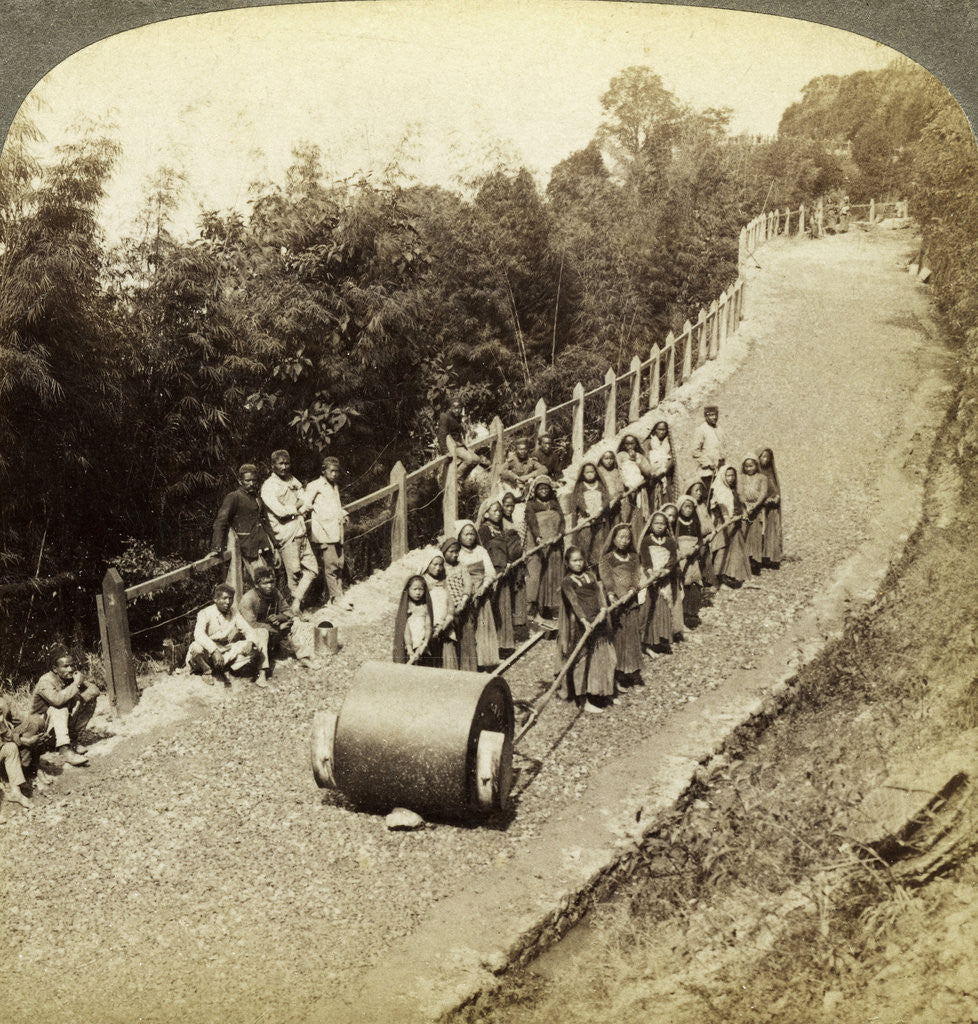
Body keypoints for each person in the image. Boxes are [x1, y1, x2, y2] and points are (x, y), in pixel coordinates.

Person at [556, 547, 616, 713]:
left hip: (599, 619)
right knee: (581, 661)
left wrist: (604, 609)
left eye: (580, 560)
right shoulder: (567, 582)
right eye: (574, 561)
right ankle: (582, 700)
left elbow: (599, 594)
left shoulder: (590, 576)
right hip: (581, 625)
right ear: (567, 563)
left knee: (603, 657)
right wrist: (584, 621)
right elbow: (574, 602)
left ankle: (603, 692)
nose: (578, 563)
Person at [260, 449, 318, 617]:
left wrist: (299, 506)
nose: (284, 467)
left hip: (301, 530)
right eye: (281, 463)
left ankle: (296, 603)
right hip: (287, 535)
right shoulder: (269, 486)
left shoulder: (292, 479)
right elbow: (280, 511)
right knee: (294, 573)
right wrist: (299, 506)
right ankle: (295, 610)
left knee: (313, 570)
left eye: (287, 463)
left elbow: (305, 498)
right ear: (273, 466)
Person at [238, 567, 314, 682]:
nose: (269, 586)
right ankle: (261, 674)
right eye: (265, 583)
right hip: (252, 639)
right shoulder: (248, 599)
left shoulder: (275, 592)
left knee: (294, 623)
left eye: (271, 582)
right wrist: (277, 628)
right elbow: (250, 626)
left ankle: (303, 657)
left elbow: (288, 611)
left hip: (271, 631)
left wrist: (280, 617)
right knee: (261, 633)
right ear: (257, 585)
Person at [208, 463, 278, 585]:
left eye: (254, 480)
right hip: (246, 548)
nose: (251, 484)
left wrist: (275, 545)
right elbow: (221, 522)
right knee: (262, 583)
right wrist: (217, 547)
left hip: (262, 547)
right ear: (240, 481)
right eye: (248, 480)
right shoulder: (234, 497)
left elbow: (266, 522)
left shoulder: (257, 498)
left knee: (267, 581)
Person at [30, 648, 100, 766]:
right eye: (65, 666)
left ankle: (72, 740)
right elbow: (57, 701)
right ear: (54, 669)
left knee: (87, 700)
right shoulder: (45, 681)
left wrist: (78, 699)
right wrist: (76, 685)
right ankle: (65, 750)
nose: (70, 669)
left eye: (72, 665)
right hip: (40, 732)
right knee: (60, 707)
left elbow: (94, 690)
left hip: (57, 728)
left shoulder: (70, 676)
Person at [598, 524, 645, 690]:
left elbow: (636, 576)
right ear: (614, 538)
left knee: (631, 635)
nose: (624, 541)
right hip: (615, 602)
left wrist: (632, 590)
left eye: (627, 537)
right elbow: (606, 578)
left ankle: (632, 672)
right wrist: (612, 595)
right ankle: (617, 675)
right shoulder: (607, 559)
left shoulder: (633, 557)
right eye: (621, 537)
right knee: (617, 636)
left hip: (630, 600)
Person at [186, 583, 262, 683]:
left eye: (231, 599)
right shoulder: (205, 613)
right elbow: (199, 634)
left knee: (254, 647)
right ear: (215, 599)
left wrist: (250, 642)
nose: (228, 602)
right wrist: (214, 650)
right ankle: (207, 670)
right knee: (196, 647)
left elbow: (247, 630)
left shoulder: (234, 612)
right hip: (208, 652)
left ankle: (227, 667)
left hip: (224, 650)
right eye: (224, 598)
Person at [304, 455, 353, 611]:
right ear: (323, 470)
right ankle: (335, 598)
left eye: (337, 472)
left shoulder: (334, 486)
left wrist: (342, 513)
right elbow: (306, 504)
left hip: (336, 531)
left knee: (339, 563)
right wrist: (319, 517)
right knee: (331, 566)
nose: (334, 474)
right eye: (331, 471)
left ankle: (337, 595)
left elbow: (335, 506)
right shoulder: (315, 485)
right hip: (324, 532)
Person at [455, 520, 499, 669]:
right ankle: (470, 661)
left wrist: (484, 586)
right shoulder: (458, 554)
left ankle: (485, 661)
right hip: (466, 594)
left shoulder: (481, 551)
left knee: (483, 625)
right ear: (459, 536)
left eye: (472, 534)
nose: (470, 537)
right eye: (466, 534)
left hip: (482, 592)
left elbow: (490, 571)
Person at [524, 476, 565, 623]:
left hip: (554, 544)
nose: (543, 491)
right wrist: (538, 538)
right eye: (540, 488)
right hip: (538, 544)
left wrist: (559, 535)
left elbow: (562, 521)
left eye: (546, 488)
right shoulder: (531, 504)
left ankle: (551, 608)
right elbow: (532, 522)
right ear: (535, 490)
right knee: (536, 574)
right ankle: (533, 608)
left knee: (552, 574)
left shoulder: (554, 503)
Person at [638, 511, 679, 654]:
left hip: (664, 578)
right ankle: (647, 642)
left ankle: (660, 640)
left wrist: (666, 571)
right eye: (656, 523)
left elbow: (673, 558)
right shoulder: (646, 541)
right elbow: (645, 558)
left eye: (662, 523)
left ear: (667, 525)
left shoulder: (670, 542)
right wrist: (651, 572)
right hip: (649, 577)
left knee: (663, 606)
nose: (659, 526)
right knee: (649, 606)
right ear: (651, 525)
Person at [478, 499, 515, 653]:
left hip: (503, 573)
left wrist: (508, 563)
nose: (499, 513)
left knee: (504, 607)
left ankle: (504, 644)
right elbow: (483, 552)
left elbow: (505, 550)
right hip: (492, 574)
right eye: (495, 510)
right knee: (494, 608)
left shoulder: (499, 529)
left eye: (500, 511)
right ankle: (493, 646)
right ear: (486, 513)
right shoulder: (484, 531)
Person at [708, 466, 751, 587]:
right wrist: (727, 517)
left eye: (733, 475)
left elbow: (739, 504)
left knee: (736, 549)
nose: (731, 478)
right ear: (723, 476)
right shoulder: (718, 490)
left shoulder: (734, 490)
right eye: (728, 476)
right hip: (723, 524)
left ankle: (733, 574)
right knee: (721, 548)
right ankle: (717, 576)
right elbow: (718, 508)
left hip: (735, 523)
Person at [1, 695, 46, 808]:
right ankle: (16, 787)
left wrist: (36, 723)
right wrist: (24, 740)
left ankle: (27, 770)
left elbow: (17, 720)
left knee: (34, 724)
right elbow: (5, 737)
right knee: (11, 747)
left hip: (5, 735)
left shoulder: (3, 701)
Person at [441, 536, 476, 670]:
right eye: (451, 551)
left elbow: (468, 583)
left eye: (457, 552)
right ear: (444, 552)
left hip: (463, 605)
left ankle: (468, 668)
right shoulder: (441, 567)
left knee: (466, 636)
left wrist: (464, 600)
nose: (455, 554)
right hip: (448, 608)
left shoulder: (461, 566)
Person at [421, 550, 458, 669]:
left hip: (444, 625)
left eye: (440, 565)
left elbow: (450, 602)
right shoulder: (422, 583)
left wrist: (448, 618)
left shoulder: (444, 582)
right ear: (427, 564)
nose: (438, 568)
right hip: (427, 627)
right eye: (434, 564)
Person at [570, 461, 610, 568]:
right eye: (587, 472)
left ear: (596, 472)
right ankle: (585, 566)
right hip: (586, 520)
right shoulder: (580, 486)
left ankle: (597, 567)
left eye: (592, 471)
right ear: (583, 474)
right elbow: (579, 500)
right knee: (586, 542)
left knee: (598, 543)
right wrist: (587, 510)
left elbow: (606, 498)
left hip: (599, 519)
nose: (590, 474)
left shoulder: (600, 485)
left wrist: (601, 509)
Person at [437, 399, 490, 478]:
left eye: (459, 408)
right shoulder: (445, 417)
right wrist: (445, 451)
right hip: (451, 446)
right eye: (455, 408)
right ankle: (456, 479)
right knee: (469, 460)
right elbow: (441, 435)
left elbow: (459, 432)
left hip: (459, 445)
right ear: (451, 408)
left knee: (476, 459)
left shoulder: (458, 417)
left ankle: (461, 478)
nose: (457, 410)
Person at [658, 503, 686, 641]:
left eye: (674, 516)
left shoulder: (673, 532)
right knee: (664, 599)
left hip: (673, 570)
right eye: (668, 515)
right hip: (662, 570)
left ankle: (676, 629)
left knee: (675, 598)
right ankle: (665, 632)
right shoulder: (658, 531)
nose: (671, 519)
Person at [501, 492, 527, 634]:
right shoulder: (500, 521)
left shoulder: (513, 519)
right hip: (508, 561)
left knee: (518, 591)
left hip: (517, 561)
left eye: (512, 506)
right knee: (508, 593)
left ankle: (518, 624)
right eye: (506, 506)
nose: (509, 509)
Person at [676, 495, 704, 627]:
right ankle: (684, 613)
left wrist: (696, 547)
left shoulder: (695, 521)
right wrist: (679, 553)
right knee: (684, 583)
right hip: (681, 556)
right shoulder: (676, 523)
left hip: (693, 557)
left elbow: (700, 538)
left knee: (695, 583)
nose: (688, 510)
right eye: (685, 507)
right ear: (680, 507)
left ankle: (693, 613)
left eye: (691, 507)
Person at [738, 455, 769, 575]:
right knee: (744, 532)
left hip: (757, 509)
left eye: (751, 466)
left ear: (756, 465)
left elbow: (763, 493)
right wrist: (746, 505)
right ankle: (745, 561)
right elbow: (740, 492)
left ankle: (756, 561)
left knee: (756, 534)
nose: (749, 468)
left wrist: (755, 505)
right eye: (746, 466)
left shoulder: (762, 478)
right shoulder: (741, 478)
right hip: (744, 509)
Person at [686, 480, 719, 590]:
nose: (699, 493)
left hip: (705, 538)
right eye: (696, 490)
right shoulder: (688, 507)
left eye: (700, 490)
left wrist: (713, 531)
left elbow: (707, 519)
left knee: (706, 560)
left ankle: (709, 582)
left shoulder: (702, 506)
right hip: (694, 539)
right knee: (697, 561)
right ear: (689, 492)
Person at [393, 575, 433, 664]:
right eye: (415, 589)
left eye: (421, 589)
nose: (418, 592)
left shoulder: (426, 607)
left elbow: (428, 626)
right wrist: (409, 648)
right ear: (408, 590)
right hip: (410, 643)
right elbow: (405, 629)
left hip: (423, 644)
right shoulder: (406, 608)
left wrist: (425, 643)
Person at [616, 434, 654, 524]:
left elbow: (648, 472)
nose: (629, 446)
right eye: (627, 444)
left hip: (639, 488)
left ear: (636, 444)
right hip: (626, 488)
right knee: (626, 512)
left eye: (632, 444)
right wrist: (626, 483)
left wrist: (637, 461)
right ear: (623, 444)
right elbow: (619, 471)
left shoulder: (640, 456)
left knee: (638, 511)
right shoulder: (620, 455)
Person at [692, 405, 726, 493]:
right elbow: (695, 451)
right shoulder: (701, 429)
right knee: (708, 496)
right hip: (707, 472)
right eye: (710, 415)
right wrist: (708, 463)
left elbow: (722, 449)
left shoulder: (720, 429)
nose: (714, 417)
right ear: (706, 416)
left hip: (719, 471)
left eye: (715, 415)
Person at [758, 448, 783, 568]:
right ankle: (760, 557)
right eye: (763, 457)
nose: (765, 460)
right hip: (760, 508)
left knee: (772, 531)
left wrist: (776, 497)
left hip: (771, 507)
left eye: (768, 457)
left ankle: (771, 557)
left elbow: (775, 489)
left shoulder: (770, 472)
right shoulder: (755, 473)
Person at [647, 420, 677, 507]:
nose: (661, 432)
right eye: (659, 429)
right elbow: (646, 458)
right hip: (653, 475)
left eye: (664, 429)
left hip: (666, 475)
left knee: (666, 498)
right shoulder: (650, 442)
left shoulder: (670, 442)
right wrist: (654, 471)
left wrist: (665, 469)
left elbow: (673, 457)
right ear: (655, 430)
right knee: (654, 499)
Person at [596, 449, 628, 526]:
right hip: (602, 503)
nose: (609, 461)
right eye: (606, 459)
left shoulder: (616, 471)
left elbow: (621, 488)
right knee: (604, 526)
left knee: (616, 524)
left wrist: (616, 498)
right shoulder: (598, 471)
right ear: (601, 459)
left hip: (615, 502)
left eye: (611, 458)